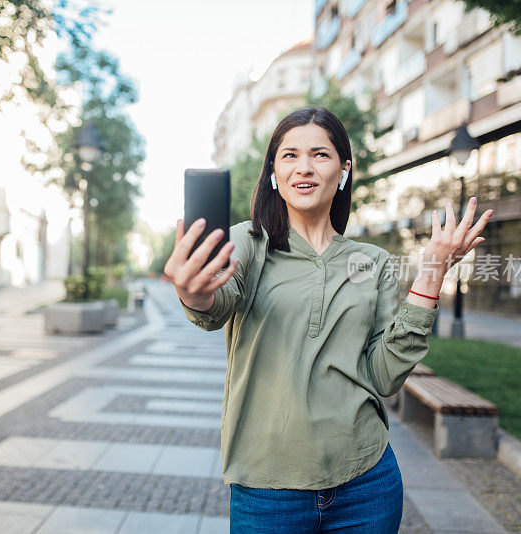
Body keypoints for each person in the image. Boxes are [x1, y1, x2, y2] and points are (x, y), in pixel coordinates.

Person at [163, 107, 493, 533]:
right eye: (289, 156)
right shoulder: (249, 242)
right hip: (267, 489)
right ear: (273, 174)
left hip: (367, 484)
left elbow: (383, 375)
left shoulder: (371, 261)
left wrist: (433, 271)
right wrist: (194, 290)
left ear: (343, 170)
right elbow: (216, 306)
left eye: (320, 154)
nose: (304, 167)